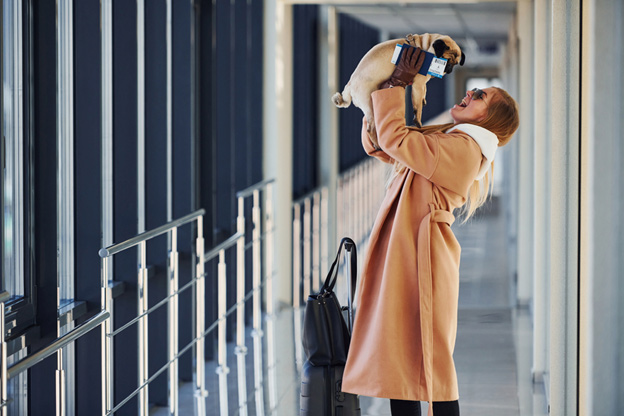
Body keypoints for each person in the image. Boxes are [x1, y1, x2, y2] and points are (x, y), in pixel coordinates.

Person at [341, 45, 520, 416]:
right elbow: (386, 148)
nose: (469, 93)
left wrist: (399, 85)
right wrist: (389, 90)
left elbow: (398, 141)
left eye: (480, 95)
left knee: (426, 362)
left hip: (420, 260)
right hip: (407, 252)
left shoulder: (467, 147)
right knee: (401, 359)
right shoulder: (454, 138)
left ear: (489, 119)